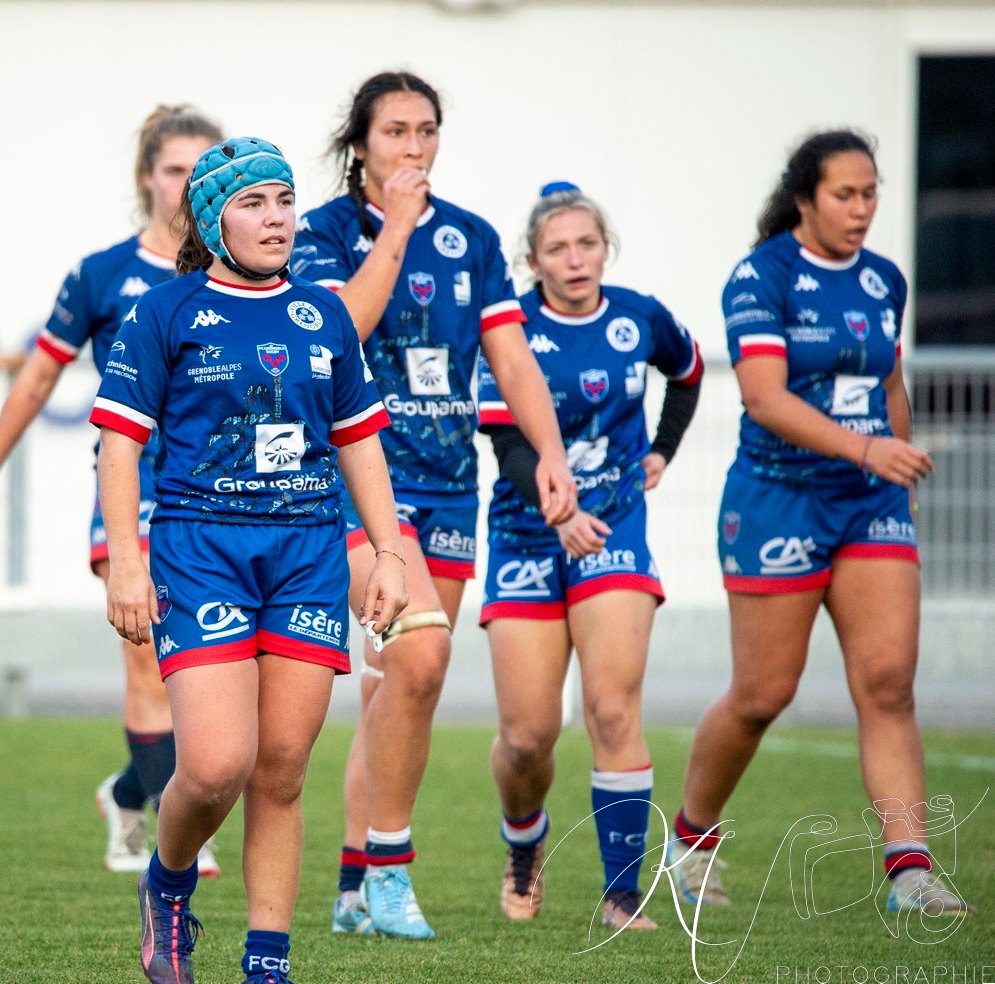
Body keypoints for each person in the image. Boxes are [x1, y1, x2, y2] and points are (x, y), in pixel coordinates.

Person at [93, 136, 408, 984]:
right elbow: (118, 447)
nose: (276, 219)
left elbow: (360, 441)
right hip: (201, 552)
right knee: (217, 762)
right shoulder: (166, 312)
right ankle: (167, 885)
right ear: (211, 219)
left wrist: (387, 552)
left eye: (283, 200)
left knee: (280, 769)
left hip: (306, 553)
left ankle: (267, 962)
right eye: (252, 204)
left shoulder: (325, 313)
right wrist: (128, 560)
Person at [294, 70, 575, 939]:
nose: (413, 148)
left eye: (426, 132)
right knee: (418, 661)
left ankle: (350, 885)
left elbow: (513, 358)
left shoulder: (475, 240)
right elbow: (346, 329)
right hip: (354, 480)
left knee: (393, 687)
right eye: (395, 133)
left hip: (451, 481)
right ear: (360, 146)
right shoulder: (322, 234)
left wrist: (552, 455)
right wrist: (398, 229)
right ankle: (390, 870)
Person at [666, 130, 969, 918]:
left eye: (871, 193)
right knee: (764, 693)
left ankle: (912, 873)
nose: (862, 209)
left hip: (868, 504)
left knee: (887, 685)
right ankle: (690, 842)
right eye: (845, 194)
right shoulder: (761, 278)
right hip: (778, 498)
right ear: (805, 199)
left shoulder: (882, 281)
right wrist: (870, 450)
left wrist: (893, 470)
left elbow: (890, 382)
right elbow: (765, 396)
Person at [0, 105, 223, 876]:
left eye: (202, 170)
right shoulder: (103, 275)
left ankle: (126, 795)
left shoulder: (242, 274)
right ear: (147, 177)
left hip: (226, 501)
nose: (187, 184)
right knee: (147, 661)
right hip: (133, 492)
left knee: (216, 680)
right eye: (174, 169)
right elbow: (39, 375)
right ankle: (178, 835)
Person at [476, 182, 703, 931]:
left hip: (614, 531)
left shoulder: (638, 316)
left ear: (606, 247)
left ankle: (621, 895)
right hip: (525, 531)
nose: (575, 260)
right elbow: (506, 440)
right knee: (528, 736)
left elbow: (690, 370)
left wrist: (663, 449)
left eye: (587, 244)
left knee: (612, 707)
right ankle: (523, 841)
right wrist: (556, 508)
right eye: (557, 249)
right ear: (532, 260)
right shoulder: (509, 325)